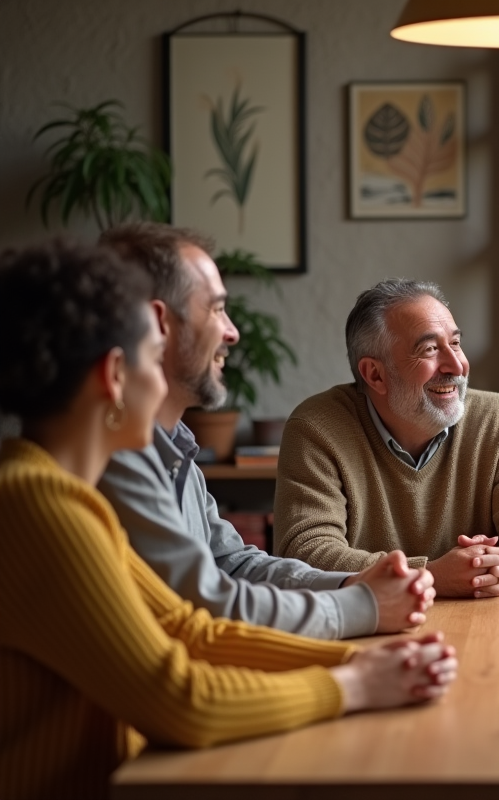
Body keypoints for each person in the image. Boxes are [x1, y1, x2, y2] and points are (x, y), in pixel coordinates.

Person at [0, 240, 457, 800]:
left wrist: (370, 661)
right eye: (152, 355)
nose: (162, 379)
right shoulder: (38, 505)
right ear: (115, 376)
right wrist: (355, 682)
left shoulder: (65, 497)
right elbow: (181, 698)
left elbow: (192, 630)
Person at [95, 222, 433, 640]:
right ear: (161, 323)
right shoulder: (113, 457)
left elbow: (234, 564)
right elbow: (204, 602)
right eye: (217, 309)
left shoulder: (174, 448)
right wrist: (364, 607)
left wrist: (353, 583)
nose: (232, 332)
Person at [273, 278, 499, 598]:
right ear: (375, 374)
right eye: (429, 349)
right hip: (368, 627)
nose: (457, 365)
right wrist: (430, 576)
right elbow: (304, 551)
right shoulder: (316, 428)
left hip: (486, 624)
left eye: (455, 343)